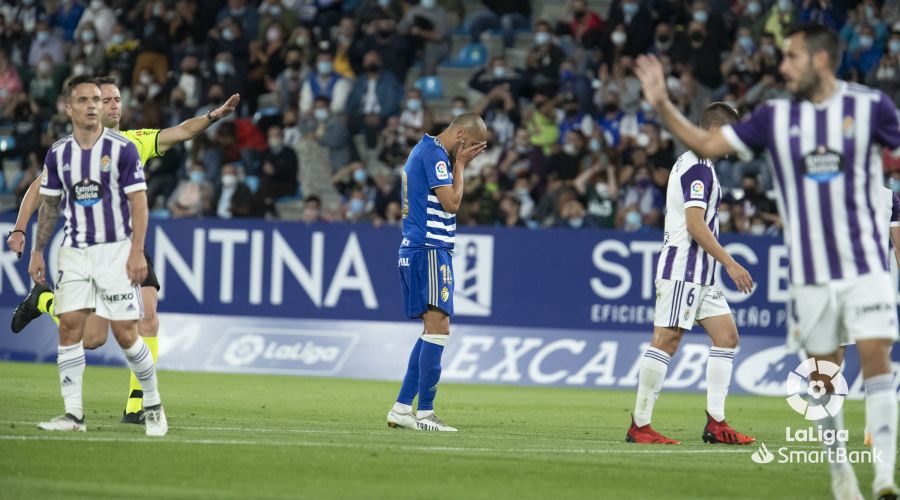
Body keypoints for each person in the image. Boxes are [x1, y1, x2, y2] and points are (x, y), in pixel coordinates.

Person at [635, 23, 898, 499]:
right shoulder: (733, 143)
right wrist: (662, 105)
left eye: (792, 57)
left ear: (819, 60)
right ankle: (642, 423)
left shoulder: (869, 108)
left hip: (837, 265)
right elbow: (701, 184)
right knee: (675, 340)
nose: (783, 67)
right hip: (747, 266)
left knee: (737, 337)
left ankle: (878, 476)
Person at [8, 77, 240, 424]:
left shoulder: (135, 142)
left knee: (148, 317)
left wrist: (212, 116)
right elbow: (37, 190)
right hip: (90, 252)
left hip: (130, 249)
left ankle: (137, 407)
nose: (115, 105)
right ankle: (42, 301)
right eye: (107, 100)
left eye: (118, 99)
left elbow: (181, 131)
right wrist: (20, 228)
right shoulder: (69, 151)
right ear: (92, 107)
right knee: (93, 339)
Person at [29, 76, 166, 436]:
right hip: (74, 251)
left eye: (97, 99)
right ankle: (73, 415)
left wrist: (137, 252)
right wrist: (38, 250)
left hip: (115, 252)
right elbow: (50, 206)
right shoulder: (58, 153)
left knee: (124, 334)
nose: (93, 105)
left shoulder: (123, 149)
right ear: (69, 107)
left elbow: (140, 203)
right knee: (73, 332)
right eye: (85, 99)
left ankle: (151, 403)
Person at [627, 102, 755, 446]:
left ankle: (716, 423)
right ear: (714, 133)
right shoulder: (698, 167)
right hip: (685, 267)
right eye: (729, 137)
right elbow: (695, 225)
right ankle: (640, 425)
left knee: (727, 336)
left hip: (702, 274)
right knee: (667, 341)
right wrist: (730, 261)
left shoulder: (697, 163)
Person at [386, 113, 487, 432]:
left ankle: (403, 408)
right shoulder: (435, 156)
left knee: (432, 329)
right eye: (470, 145)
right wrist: (460, 166)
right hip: (428, 250)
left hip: (423, 249)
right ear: (460, 135)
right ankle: (425, 413)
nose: (469, 152)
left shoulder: (426, 151)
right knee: (439, 328)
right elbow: (452, 203)